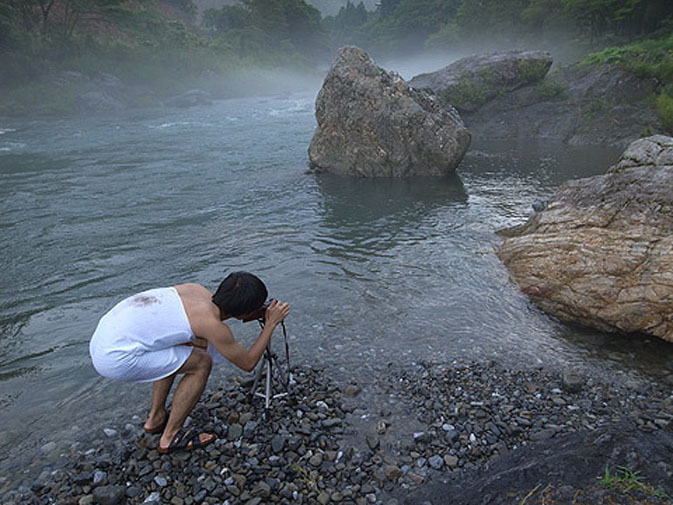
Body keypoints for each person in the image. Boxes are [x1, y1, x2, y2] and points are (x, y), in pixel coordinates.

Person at [89, 272, 290, 454]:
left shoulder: (196, 290)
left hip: (105, 338)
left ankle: (156, 418)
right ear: (243, 313)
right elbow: (247, 363)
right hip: (115, 357)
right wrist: (270, 324)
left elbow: (196, 331)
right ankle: (170, 436)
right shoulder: (211, 324)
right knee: (201, 363)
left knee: (181, 349)